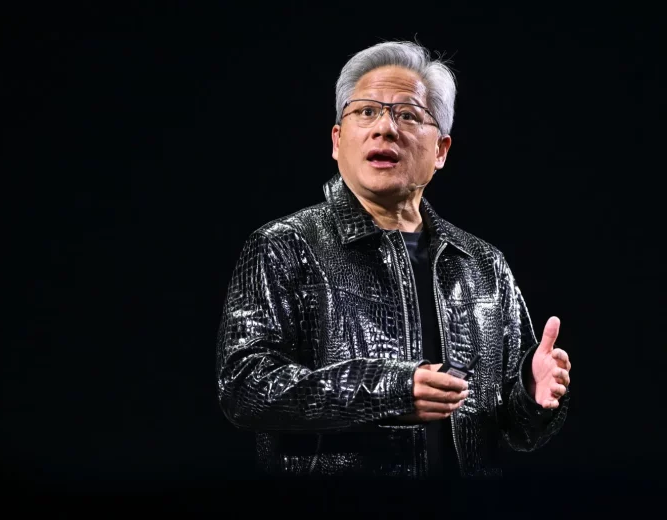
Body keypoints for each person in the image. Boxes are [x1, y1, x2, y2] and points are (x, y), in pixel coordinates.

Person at [215, 40, 571, 479]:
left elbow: (516, 431)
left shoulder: (483, 265)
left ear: (440, 150)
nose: (384, 128)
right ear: (337, 140)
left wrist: (531, 394)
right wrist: (391, 390)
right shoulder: (284, 245)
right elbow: (243, 387)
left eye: (408, 115)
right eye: (366, 111)